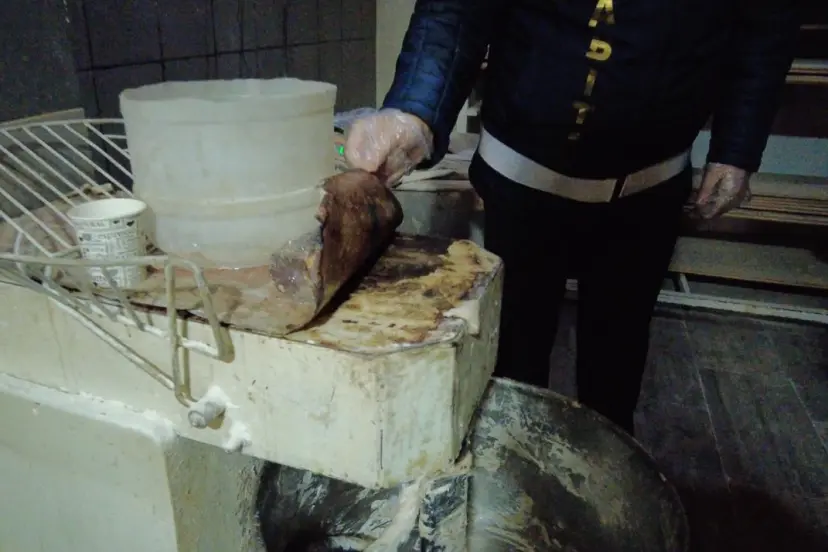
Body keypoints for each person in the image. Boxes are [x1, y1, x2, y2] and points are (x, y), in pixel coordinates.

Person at [345, 0, 802, 435]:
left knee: (615, 376)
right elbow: (457, 10)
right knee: (512, 372)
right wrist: (415, 109)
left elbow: (766, 23)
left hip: (649, 190)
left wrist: (738, 146)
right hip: (520, 181)